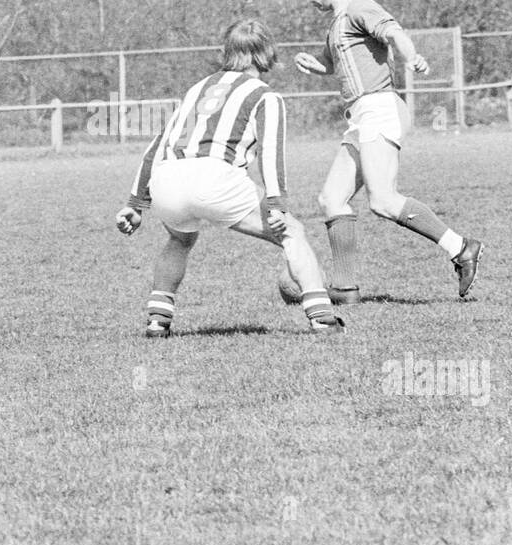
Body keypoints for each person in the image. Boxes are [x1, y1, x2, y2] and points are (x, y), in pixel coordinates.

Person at [114, 19, 344, 338]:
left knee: (180, 239)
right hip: (214, 177)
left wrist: (135, 203)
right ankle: (322, 318)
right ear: (267, 53)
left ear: (226, 52)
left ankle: (157, 320)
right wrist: (276, 204)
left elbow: (157, 144)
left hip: (166, 179)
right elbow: (270, 154)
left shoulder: (199, 87)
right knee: (292, 232)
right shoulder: (265, 96)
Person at [293, 0, 483, 301]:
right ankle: (345, 289)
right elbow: (335, 63)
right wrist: (315, 64)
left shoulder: (359, 6)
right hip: (361, 115)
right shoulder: (337, 20)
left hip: (379, 107)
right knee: (331, 197)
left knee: (382, 200)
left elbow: (394, 33)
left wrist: (411, 57)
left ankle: (461, 247)